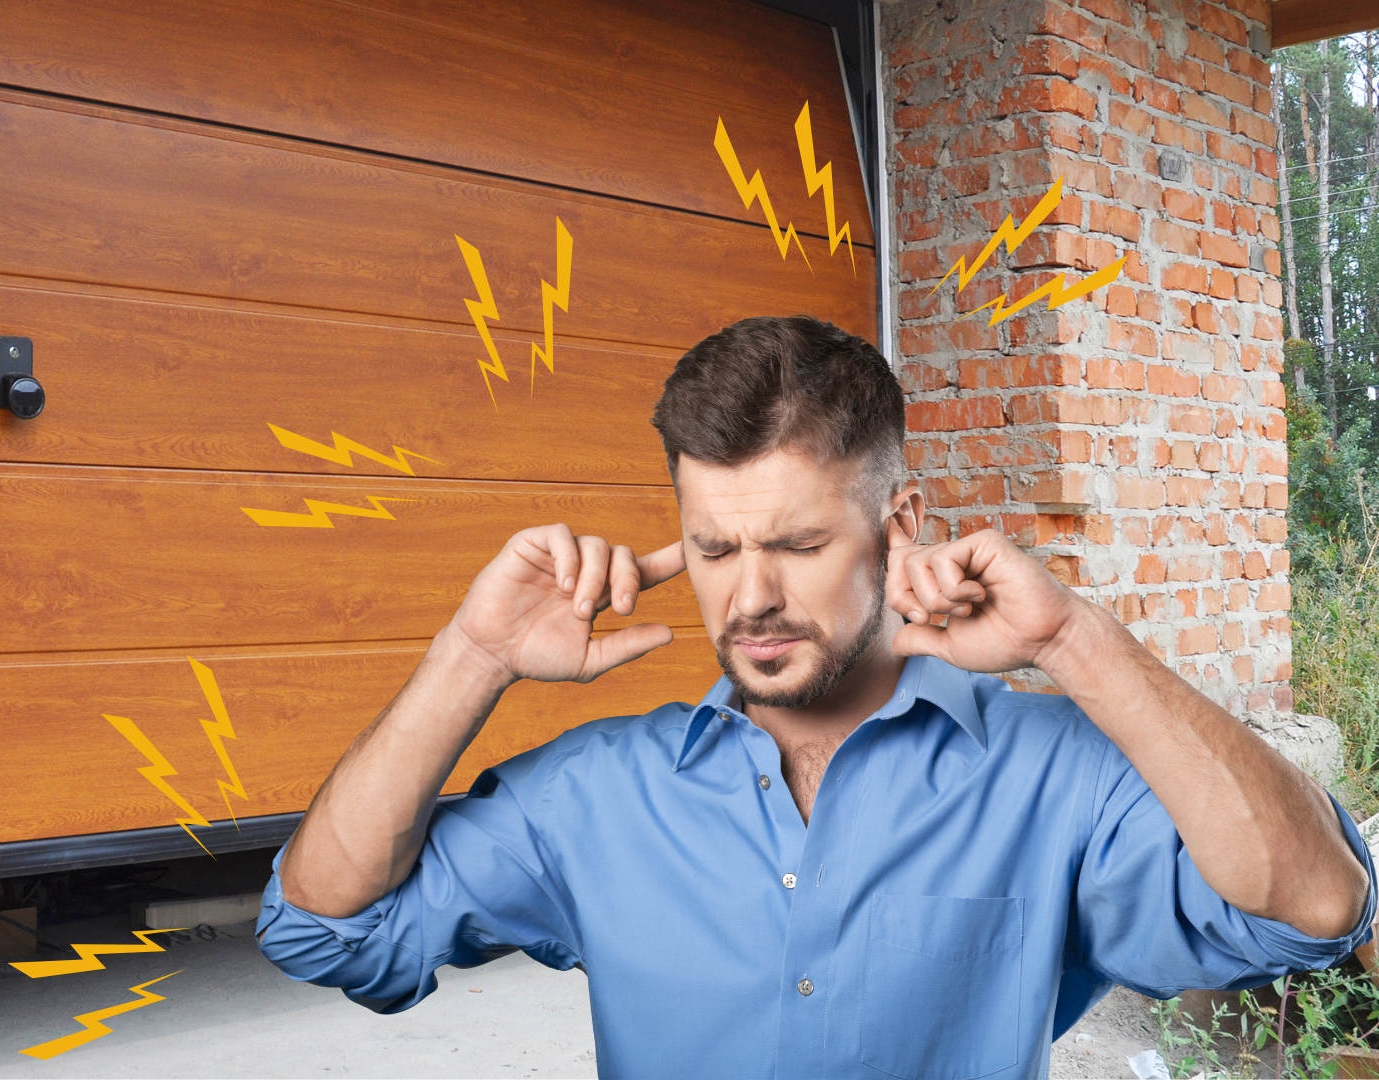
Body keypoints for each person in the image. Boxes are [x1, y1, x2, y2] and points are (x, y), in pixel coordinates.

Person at [256, 316, 1375, 1078]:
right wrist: (474, 652)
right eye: (711, 550)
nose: (750, 599)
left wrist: (1074, 641)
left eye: (795, 543)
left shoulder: (1052, 776)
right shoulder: (597, 796)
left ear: (899, 524)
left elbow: (1316, 905)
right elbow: (321, 926)